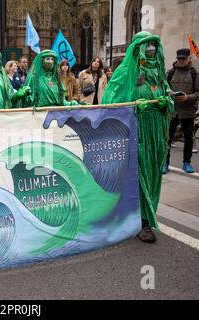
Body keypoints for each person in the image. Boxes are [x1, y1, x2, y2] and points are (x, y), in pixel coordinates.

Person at [102, 31, 174, 243]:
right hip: (135, 131)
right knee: (137, 172)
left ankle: (145, 214)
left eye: (153, 46)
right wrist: (133, 106)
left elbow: (169, 97)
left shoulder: (160, 73)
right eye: (146, 46)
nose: (150, 50)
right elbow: (110, 101)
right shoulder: (126, 72)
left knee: (152, 173)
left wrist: (165, 103)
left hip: (157, 133)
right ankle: (142, 221)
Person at [164, 48, 199, 174]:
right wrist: (168, 92)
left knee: (189, 138)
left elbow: (198, 92)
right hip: (172, 110)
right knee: (167, 138)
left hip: (188, 111)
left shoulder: (194, 73)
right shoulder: (171, 72)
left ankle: (187, 162)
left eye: (184, 59)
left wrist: (188, 97)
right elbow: (164, 88)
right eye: (179, 59)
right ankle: (165, 163)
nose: (181, 61)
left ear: (189, 58)